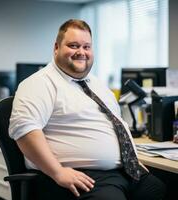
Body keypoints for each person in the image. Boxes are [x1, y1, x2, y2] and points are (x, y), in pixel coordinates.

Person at [9, 19, 166, 200]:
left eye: (86, 47)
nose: (81, 52)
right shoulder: (39, 83)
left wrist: (132, 159)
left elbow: (115, 125)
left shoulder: (96, 84)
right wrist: (58, 172)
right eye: (73, 45)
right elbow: (24, 130)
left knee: (162, 189)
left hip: (124, 172)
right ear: (56, 47)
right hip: (81, 176)